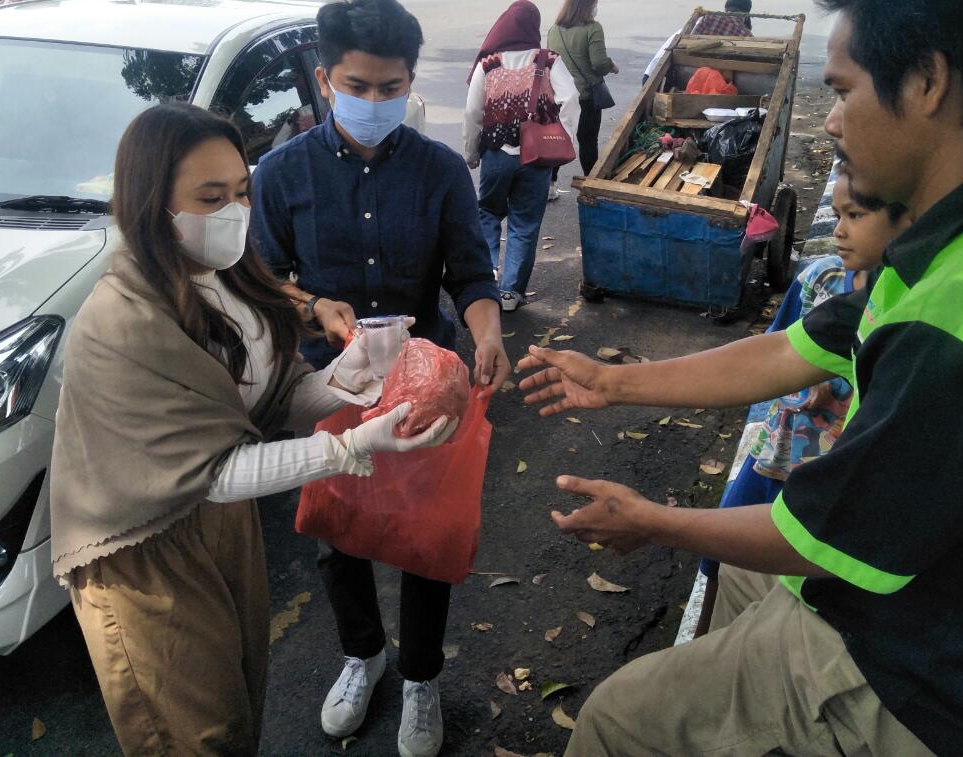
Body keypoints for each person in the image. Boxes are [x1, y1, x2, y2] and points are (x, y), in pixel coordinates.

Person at [517, 0, 963, 753]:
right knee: (740, 583)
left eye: (844, 90)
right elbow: (792, 350)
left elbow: (816, 536)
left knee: (618, 720)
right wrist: (614, 382)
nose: (832, 121)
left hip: (927, 671)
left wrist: (650, 522)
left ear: (927, 82)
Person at [49, 102, 455, 754]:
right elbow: (213, 471)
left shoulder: (229, 277)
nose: (235, 212)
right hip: (142, 549)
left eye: (241, 191)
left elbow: (278, 395)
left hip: (219, 524)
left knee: (240, 697)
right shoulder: (122, 322)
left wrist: (357, 376)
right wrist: (350, 446)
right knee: (195, 734)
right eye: (211, 197)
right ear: (149, 201)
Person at [249, 2, 509, 755]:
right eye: (357, 85)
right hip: (335, 383)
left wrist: (489, 332)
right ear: (326, 81)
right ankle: (362, 656)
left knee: (425, 536)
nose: (372, 102)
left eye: (389, 87)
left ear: (408, 83)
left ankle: (421, 678)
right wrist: (307, 302)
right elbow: (263, 277)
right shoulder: (281, 173)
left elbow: (470, 270)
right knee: (341, 534)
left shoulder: (437, 171)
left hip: (429, 382)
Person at [698, 174, 908, 606]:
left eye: (856, 215)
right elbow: (776, 349)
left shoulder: (907, 309)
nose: (839, 230)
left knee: (785, 578)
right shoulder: (820, 278)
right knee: (717, 554)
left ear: (905, 222)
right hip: (774, 452)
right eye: (836, 216)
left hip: (823, 474)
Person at [464, 0, 579, 313]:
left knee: (487, 213)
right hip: (537, 158)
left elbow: (473, 111)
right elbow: (570, 100)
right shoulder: (549, 60)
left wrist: (471, 151)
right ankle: (511, 293)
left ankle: (485, 282)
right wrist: (562, 140)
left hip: (496, 157)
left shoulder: (489, 63)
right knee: (525, 224)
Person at [547, 0, 619, 191]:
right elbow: (598, 63)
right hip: (586, 96)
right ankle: (590, 185)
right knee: (587, 142)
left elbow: (550, 61)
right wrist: (612, 66)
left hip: (560, 96)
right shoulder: (593, 28)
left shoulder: (555, 29)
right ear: (587, 6)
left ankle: (550, 185)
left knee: (557, 139)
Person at [643, 0, 754, 85]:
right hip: (663, 72)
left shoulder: (705, 18)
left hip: (653, 72)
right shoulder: (745, 34)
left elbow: (690, 42)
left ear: (726, 8)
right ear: (746, 14)